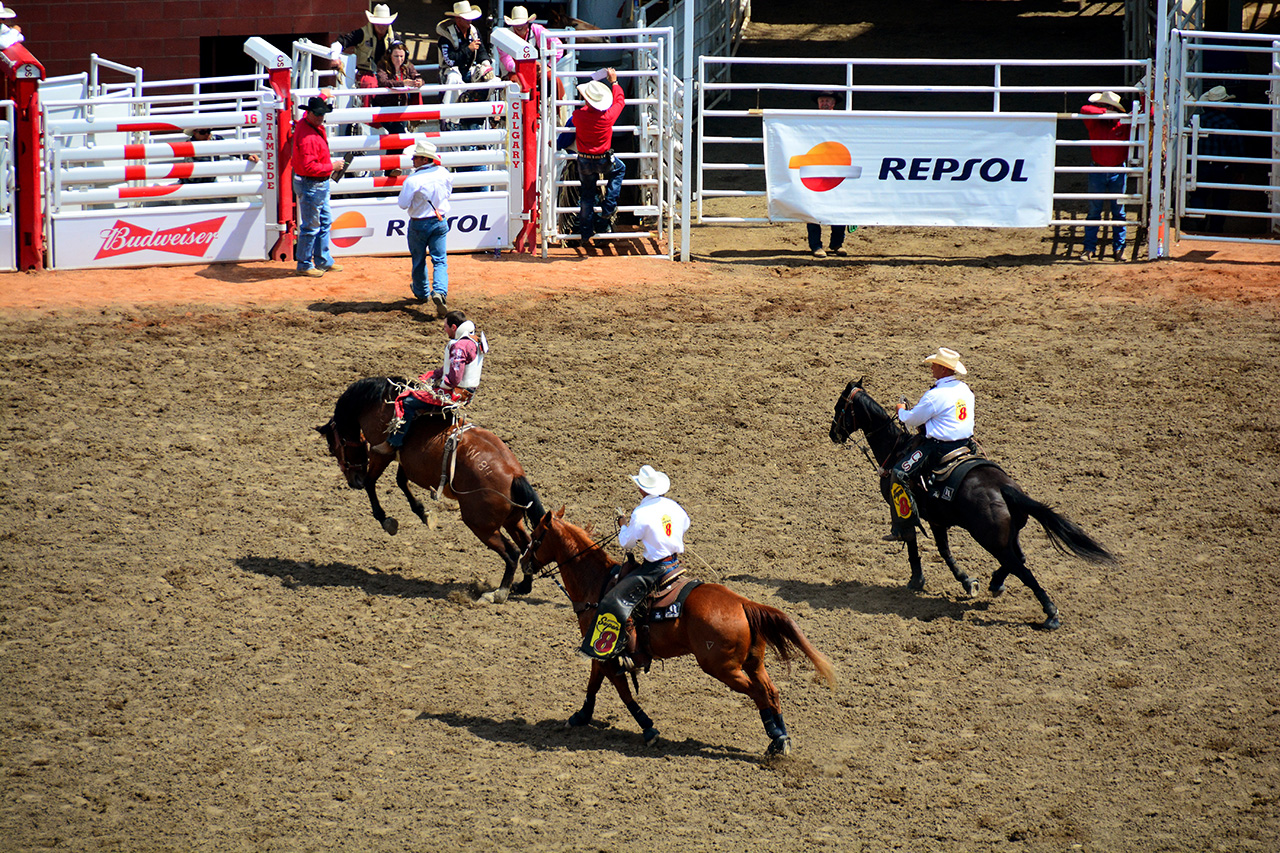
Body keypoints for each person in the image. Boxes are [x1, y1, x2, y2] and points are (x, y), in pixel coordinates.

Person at [580, 464, 691, 663]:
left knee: (614, 600)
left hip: (655, 568)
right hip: (674, 563)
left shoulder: (641, 512)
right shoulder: (673, 506)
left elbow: (627, 543)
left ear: (641, 488)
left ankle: (636, 654)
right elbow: (686, 523)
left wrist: (624, 525)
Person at [884, 347, 975, 542]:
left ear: (943, 369)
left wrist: (901, 411)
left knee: (899, 473)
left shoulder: (935, 395)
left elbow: (913, 420)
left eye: (935, 365)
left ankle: (904, 526)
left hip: (938, 447)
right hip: (967, 444)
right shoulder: (964, 389)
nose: (932, 367)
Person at [372, 310, 487, 456]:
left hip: (454, 394)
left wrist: (437, 386)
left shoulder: (459, 347)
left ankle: (393, 443)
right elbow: (454, 369)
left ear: (453, 327)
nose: (444, 330)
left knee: (406, 401)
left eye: (445, 327)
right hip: (467, 392)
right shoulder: (473, 340)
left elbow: (454, 379)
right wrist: (434, 374)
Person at [282, 95, 343, 278]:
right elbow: (310, 167)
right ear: (309, 113)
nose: (320, 117)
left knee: (321, 223)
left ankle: (320, 260)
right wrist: (332, 167)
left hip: (313, 183)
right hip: (313, 183)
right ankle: (306, 263)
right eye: (317, 114)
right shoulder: (309, 136)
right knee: (313, 225)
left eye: (322, 114)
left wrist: (323, 96)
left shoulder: (303, 125)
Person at [397, 139, 453, 312]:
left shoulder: (413, 180)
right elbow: (448, 193)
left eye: (415, 157)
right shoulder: (444, 173)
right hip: (439, 219)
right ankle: (440, 291)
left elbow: (403, 204)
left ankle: (422, 292)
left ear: (424, 159)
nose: (412, 160)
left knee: (419, 259)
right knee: (440, 260)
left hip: (419, 223)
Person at [572, 68, 626, 247]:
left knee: (587, 194)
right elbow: (620, 101)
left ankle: (585, 232)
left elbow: (580, 112)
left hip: (584, 160)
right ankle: (609, 206)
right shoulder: (607, 117)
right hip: (603, 157)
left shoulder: (578, 116)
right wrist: (615, 82)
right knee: (620, 169)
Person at [1079, 90, 1130, 261]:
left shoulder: (1123, 122)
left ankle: (1118, 248)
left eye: (1103, 106)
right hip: (1102, 169)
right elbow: (1085, 109)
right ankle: (1090, 248)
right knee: (1096, 211)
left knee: (1117, 211)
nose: (1099, 108)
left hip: (1114, 169)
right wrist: (1107, 113)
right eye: (1100, 106)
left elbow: (1151, 113)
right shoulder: (1100, 122)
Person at [1192, 86, 1245, 234]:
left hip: (1201, 163)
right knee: (1220, 198)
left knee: (1198, 194)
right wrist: (1239, 169)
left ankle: (1199, 218)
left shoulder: (1199, 121)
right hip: (1222, 167)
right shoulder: (1230, 124)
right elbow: (1236, 148)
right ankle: (1216, 228)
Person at [807, 90, 852, 259]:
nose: (824, 103)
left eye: (827, 100)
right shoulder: (809, 122)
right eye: (822, 100)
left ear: (833, 104)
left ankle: (837, 243)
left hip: (837, 168)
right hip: (816, 168)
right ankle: (816, 245)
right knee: (813, 207)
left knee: (839, 205)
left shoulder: (842, 122)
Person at [437, 1, 494, 114]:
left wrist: (486, 64)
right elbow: (450, 61)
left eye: (470, 18)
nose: (470, 21)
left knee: (491, 79)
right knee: (454, 80)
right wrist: (468, 49)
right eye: (466, 18)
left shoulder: (474, 32)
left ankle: (487, 114)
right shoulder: (445, 36)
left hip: (469, 70)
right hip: (451, 71)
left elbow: (481, 51)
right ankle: (450, 117)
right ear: (458, 19)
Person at [178, 128, 261, 201]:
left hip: (210, 182)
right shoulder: (189, 145)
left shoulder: (216, 139)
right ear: (195, 133)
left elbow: (230, 149)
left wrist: (248, 156)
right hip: (192, 184)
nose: (207, 134)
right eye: (203, 132)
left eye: (208, 131)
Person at [331, 3, 399, 87]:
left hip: (388, 73)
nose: (381, 27)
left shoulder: (395, 38)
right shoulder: (361, 34)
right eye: (378, 23)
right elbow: (341, 42)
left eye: (384, 24)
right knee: (370, 84)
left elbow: (403, 54)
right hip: (366, 74)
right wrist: (334, 57)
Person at [496, 6, 564, 85]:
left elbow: (558, 46)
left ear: (528, 23)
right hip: (513, 73)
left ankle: (556, 97)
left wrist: (548, 66)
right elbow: (508, 64)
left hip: (535, 71)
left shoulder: (536, 30)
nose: (519, 26)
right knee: (516, 81)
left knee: (552, 78)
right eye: (516, 24)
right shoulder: (505, 37)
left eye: (522, 23)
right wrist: (527, 69)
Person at [373, 40, 424, 136]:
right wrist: (402, 83)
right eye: (396, 56)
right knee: (398, 134)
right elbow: (383, 81)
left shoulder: (408, 66)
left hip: (402, 107)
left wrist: (418, 82)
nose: (399, 59)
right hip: (385, 108)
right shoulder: (383, 66)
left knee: (396, 138)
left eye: (401, 56)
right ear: (389, 56)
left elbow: (417, 76)